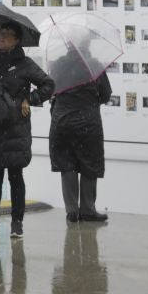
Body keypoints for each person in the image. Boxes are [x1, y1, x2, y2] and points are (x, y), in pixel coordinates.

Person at [0, 22, 54, 238]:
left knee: (15, 176)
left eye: (7, 35)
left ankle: (17, 222)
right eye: (0, 34)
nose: (1, 38)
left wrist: (30, 99)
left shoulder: (25, 65)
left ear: (17, 40)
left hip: (15, 129)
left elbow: (48, 85)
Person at [49, 57, 113, 223]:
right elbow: (106, 93)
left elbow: (51, 90)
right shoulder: (93, 65)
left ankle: (71, 211)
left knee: (66, 164)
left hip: (61, 120)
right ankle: (88, 209)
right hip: (88, 120)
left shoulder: (57, 64)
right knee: (89, 165)